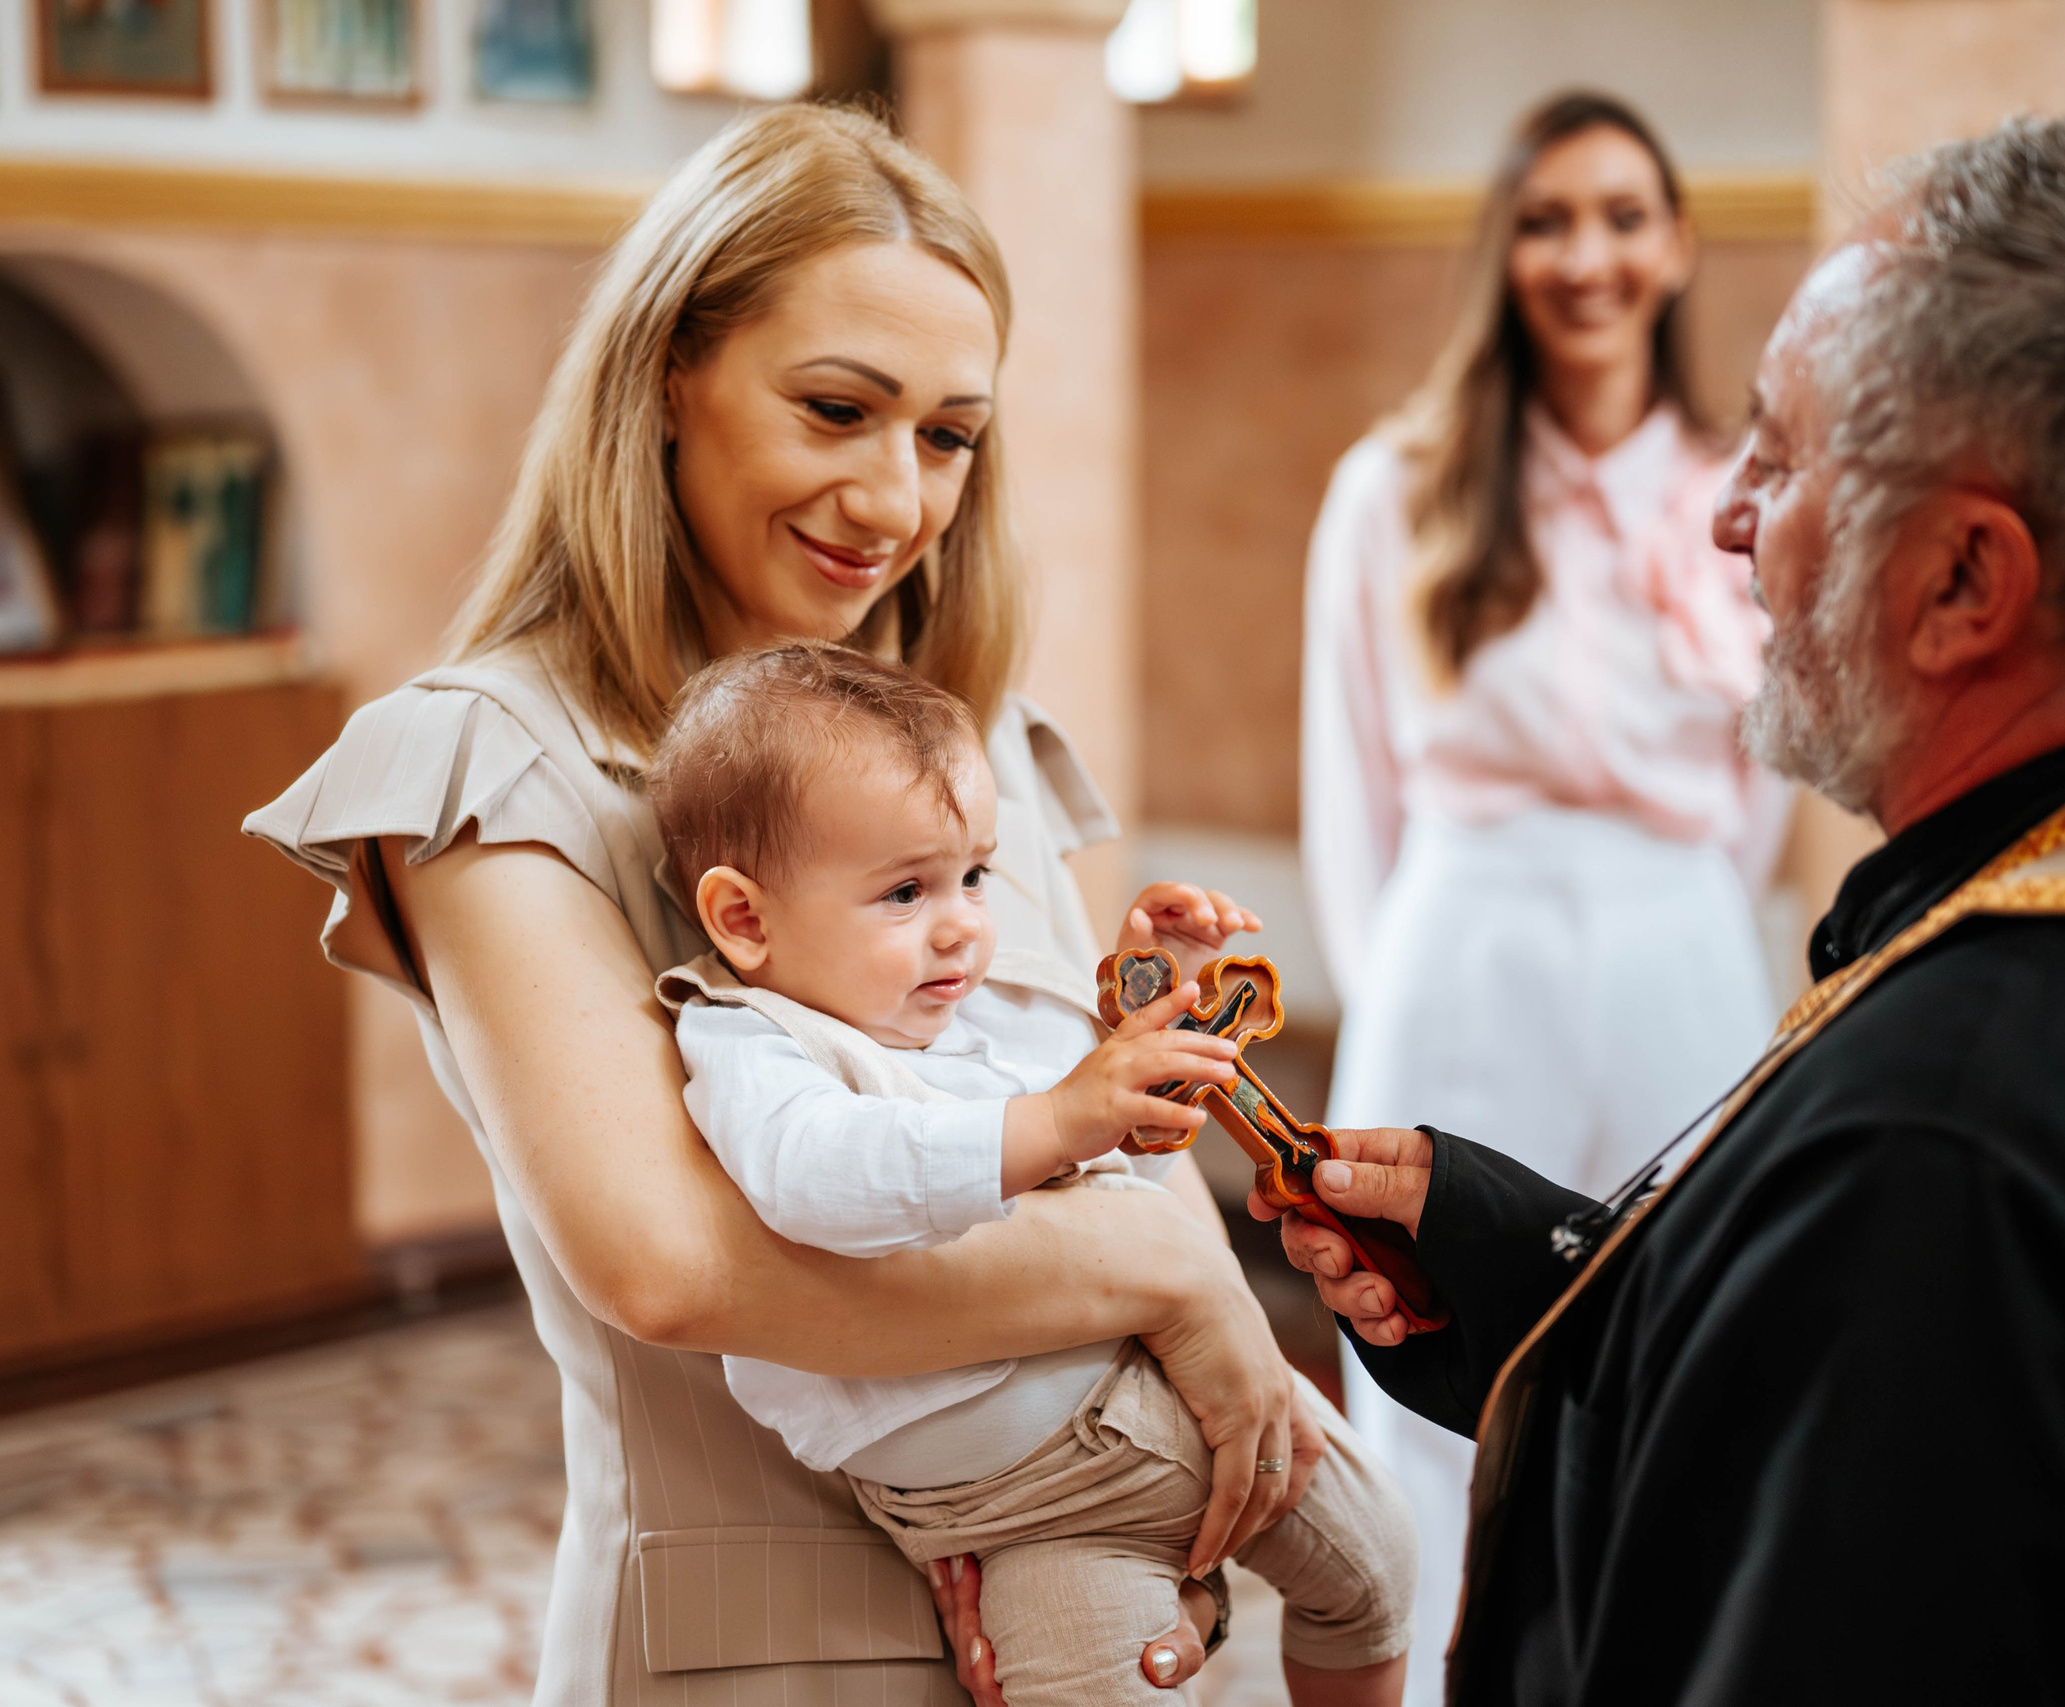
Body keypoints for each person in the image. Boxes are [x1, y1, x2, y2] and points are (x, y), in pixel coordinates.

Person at [1268, 118, 2065, 1704]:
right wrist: (1556, 1288)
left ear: (1967, 579)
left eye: (1780, 459)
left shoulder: (1934, 1145)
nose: (1726, 518)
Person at [246, 104, 1310, 1706]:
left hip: (1082, 1582)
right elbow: (674, 1264)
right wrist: (1176, 1274)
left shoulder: (973, 742)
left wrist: (1153, 1465)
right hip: (751, 1647)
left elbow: (1095, 1142)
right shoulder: (487, 758)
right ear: (669, 374)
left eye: (947, 437)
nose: (893, 497)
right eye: (836, 410)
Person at [645, 640, 1417, 1707]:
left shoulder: (996, 1002)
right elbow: (816, 1179)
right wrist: (1054, 1119)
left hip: (1183, 1394)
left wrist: (1149, 1015)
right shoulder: (754, 1042)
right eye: (906, 891)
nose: (964, 922)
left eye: (973, 874)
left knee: (1381, 1568)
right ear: (744, 918)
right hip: (1033, 1513)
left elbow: (1125, 1155)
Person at [1296, 91, 1789, 1702]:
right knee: (1425, 1330)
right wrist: (1392, 981)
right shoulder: (1397, 485)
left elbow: (1769, 774)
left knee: (1690, 1331)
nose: (1589, 256)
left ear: (1679, 244)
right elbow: (1352, 773)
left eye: (1624, 216)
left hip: (1680, 937)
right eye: (1548, 219)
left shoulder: (1740, 486)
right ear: (1503, 249)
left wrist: (1689, 919)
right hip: (1465, 933)